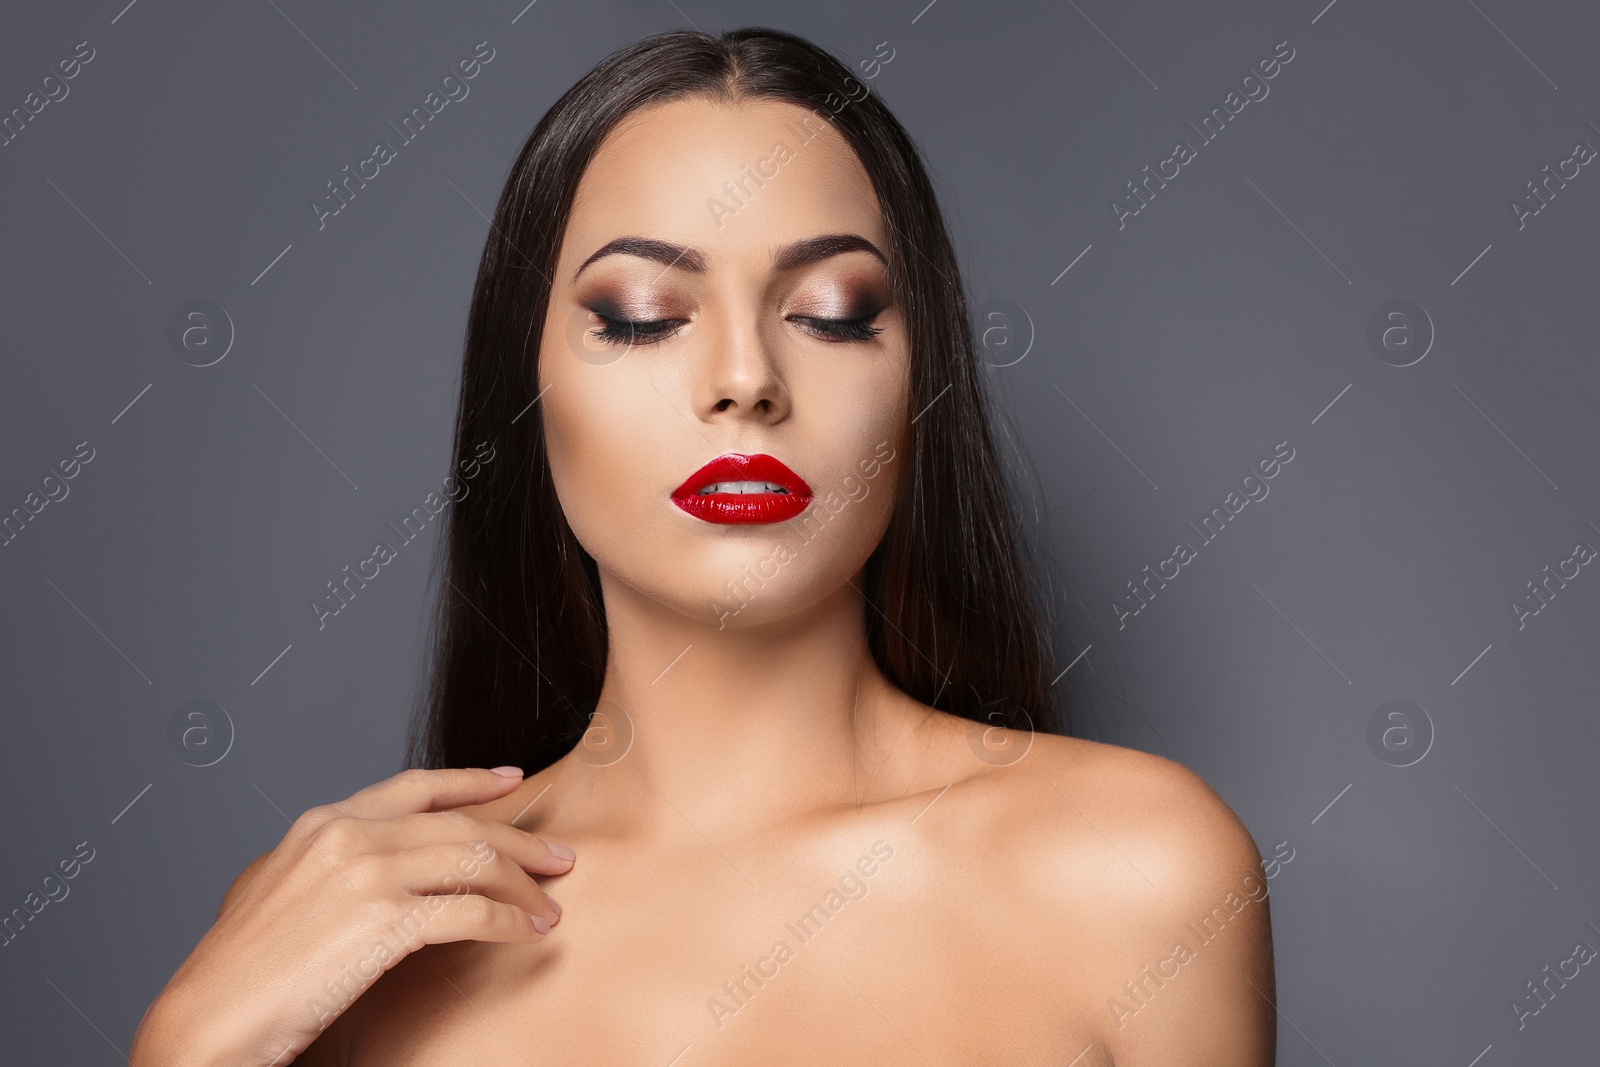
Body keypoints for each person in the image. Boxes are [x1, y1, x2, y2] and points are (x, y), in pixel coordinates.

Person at [131, 27, 1274, 1066]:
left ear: (918, 383)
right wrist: (182, 1049)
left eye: (831, 311)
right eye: (638, 315)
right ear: (522, 394)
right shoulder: (359, 927)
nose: (744, 379)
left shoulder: (1138, 873)